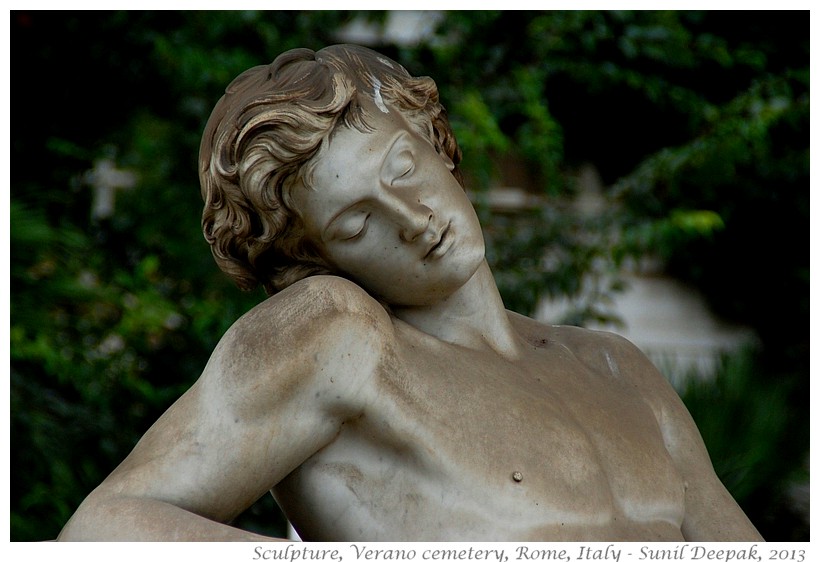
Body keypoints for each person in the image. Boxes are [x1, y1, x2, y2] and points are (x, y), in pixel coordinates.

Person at [57, 44, 762, 542]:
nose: (410, 217)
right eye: (358, 222)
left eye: (400, 167)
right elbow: (103, 528)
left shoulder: (619, 370)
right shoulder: (340, 336)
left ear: (434, 140)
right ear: (316, 259)